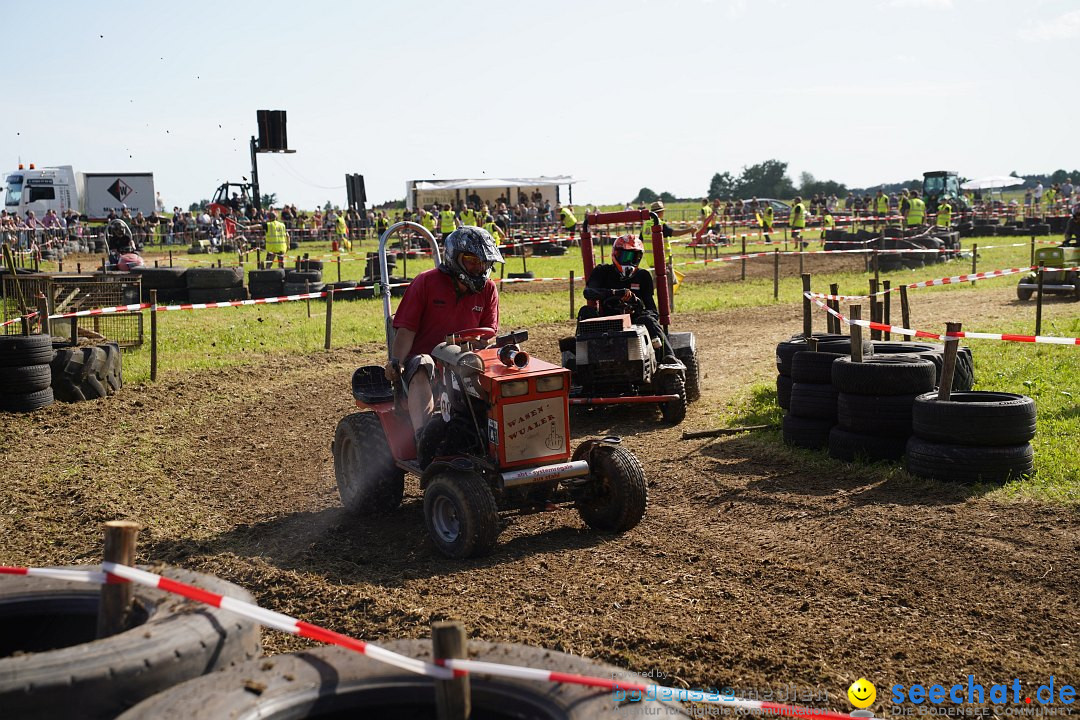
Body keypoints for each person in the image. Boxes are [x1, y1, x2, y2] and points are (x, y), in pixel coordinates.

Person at [385, 226, 503, 435]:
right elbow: (405, 332)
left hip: (465, 361)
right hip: (425, 364)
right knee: (424, 363)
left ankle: (504, 432)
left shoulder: (488, 289)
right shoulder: (426, 282)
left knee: (509, 357)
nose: (478, 268)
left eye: (483, 262)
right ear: (455, 258)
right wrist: (396, 362)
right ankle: (424, 437)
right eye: (472, 260)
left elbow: (487, 336)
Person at [583, 234, 676, 363]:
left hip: (636, 322)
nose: (629, 261)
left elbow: (652, 310)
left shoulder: (643, 276)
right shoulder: (602, 271)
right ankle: (581, 362)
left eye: (634, 257)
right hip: (606, 322)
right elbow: (588, 292)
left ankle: (668, 360)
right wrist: (615, 293)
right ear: (616, 254)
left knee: (648, 319)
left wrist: (636, 302)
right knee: (586, 312)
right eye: (626, 256)